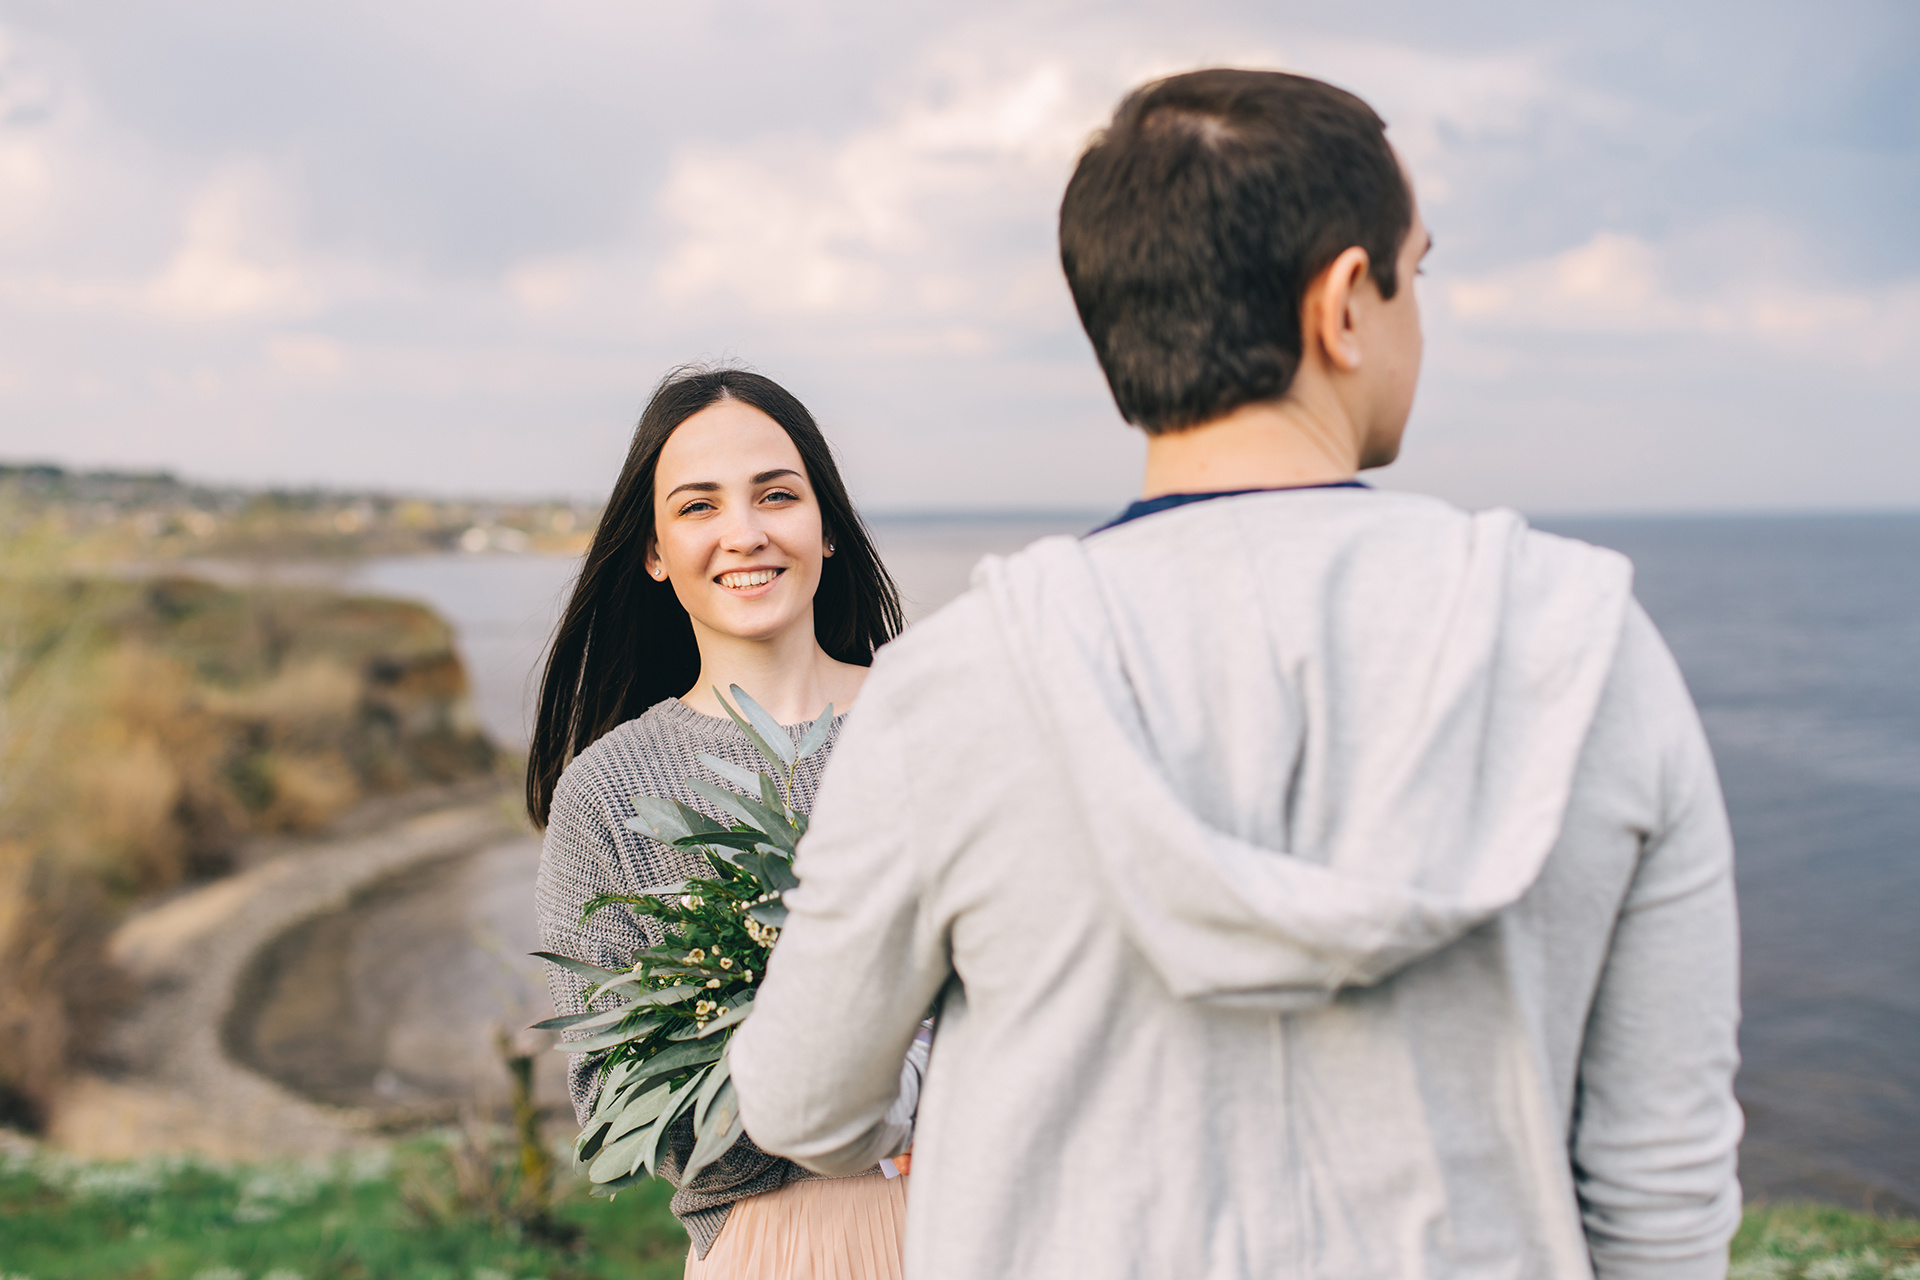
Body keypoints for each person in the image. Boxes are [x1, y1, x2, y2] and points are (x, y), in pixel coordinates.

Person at [729, 70, 1743, 1279]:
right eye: (1414, 273)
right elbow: (1660, 1182)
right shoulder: (1588, 645)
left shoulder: (952, 687)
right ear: (1344, 306)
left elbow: (801, 1103)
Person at [530, 365, 925, 1278]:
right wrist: (862, 1104)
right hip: (776, 1252)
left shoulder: (944, 719)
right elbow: (620, 1100)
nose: (744, 533)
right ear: (655, 551)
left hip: (994, 1220)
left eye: (777, 495)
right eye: (699, 506)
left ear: (826, 527)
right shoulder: (610, 792)